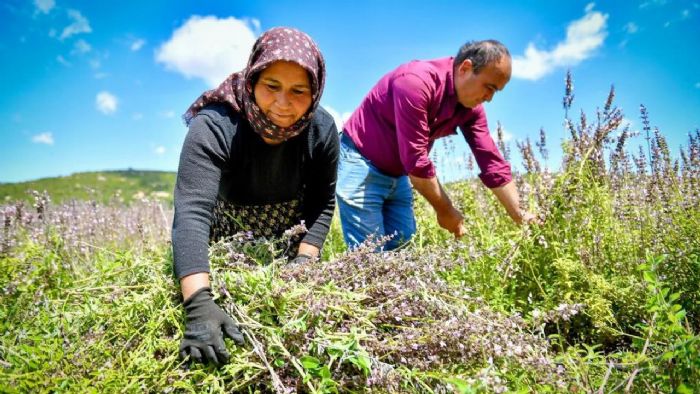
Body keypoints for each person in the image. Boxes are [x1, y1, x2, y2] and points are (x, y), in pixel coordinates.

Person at [172, 27, 339, 365]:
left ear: (316, 91)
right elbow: (192, 212)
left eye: (299, 91)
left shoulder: (321, 130)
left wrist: (304, 263)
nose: (283, 103)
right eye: (271, 87)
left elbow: (323, 202)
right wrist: (199, 303)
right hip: (222, 249)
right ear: (252, 81)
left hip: (286, 248)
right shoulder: (215, 126)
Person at [336, 39, 536, 251]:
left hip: (399, 174)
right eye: (489, 87)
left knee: (402, 250)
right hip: (360, 164)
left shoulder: (471, 109)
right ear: (465, 68)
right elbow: (416, 161)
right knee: (368, 256)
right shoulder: (415, 82)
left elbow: (491, 162)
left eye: (496, 91)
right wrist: (446, 210)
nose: (489, 98)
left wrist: (520, 214)